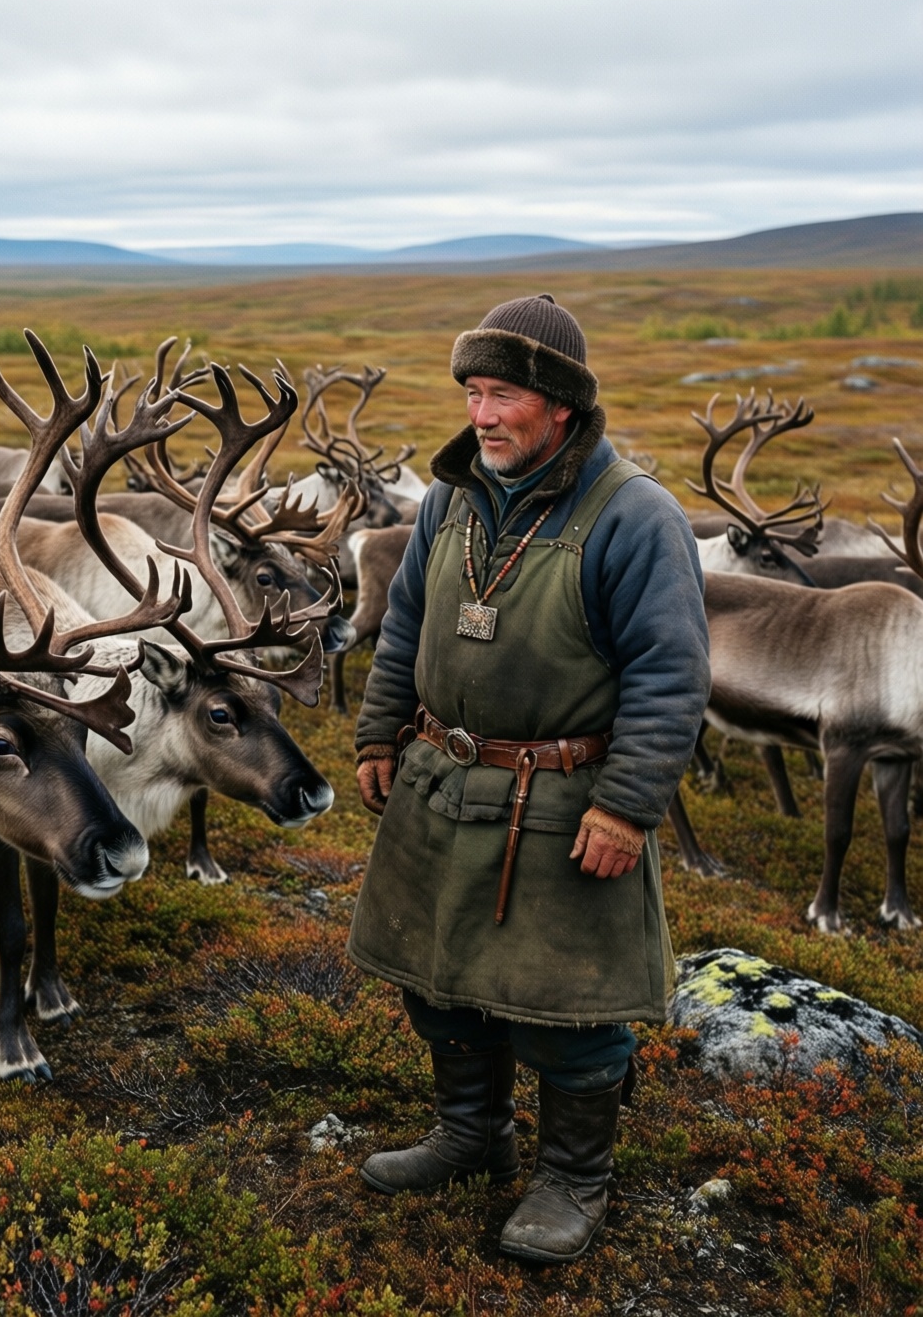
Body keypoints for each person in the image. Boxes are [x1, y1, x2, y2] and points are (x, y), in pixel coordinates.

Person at [347, 293, 709, 1264]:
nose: (480, 414)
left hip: (560, 803)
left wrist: (627, 804)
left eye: (500, 393)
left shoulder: (634, 517)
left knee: (568, 1007)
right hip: (441, 783)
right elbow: (402, 631)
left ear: (556, 403)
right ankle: (472, 1136)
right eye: (471, 391)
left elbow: (669, 674)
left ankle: (571, 1177)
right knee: (440, 985)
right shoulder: (446, 503)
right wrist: (380, 733)